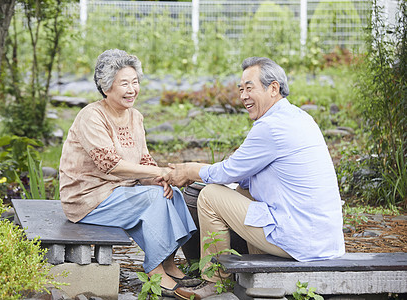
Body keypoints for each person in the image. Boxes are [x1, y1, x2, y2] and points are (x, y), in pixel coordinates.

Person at [165, 57, 345, 298]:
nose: (243, 96)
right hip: (323, 239)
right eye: (241, 89)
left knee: (208, 196)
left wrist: (189, 170)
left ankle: (216, 281)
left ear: (273, 88)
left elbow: (227, 172)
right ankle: (246, 267)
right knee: (240, 192)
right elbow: (245, 177)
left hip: (300, 239)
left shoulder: (271, 126)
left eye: (250, 88)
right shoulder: (300, 117)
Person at [59, 49, 201, 300]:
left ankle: (169, 264)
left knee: (172, 194)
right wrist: (159, 172)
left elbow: (143, 159)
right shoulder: (91, 116)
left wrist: (159, 179)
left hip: (120, 191)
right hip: (89, 197)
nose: (132, 89)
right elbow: (110, 164)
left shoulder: (135, 117)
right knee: (154, 200)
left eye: (135, 82)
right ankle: (155, 270)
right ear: (106, 87)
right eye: (124, 83)